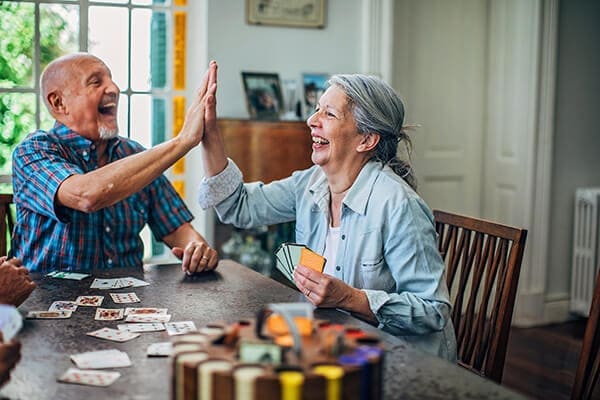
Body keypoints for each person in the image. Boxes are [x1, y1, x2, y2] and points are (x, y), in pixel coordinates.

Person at [197, 65, 457, 360]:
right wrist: (209, 131)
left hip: (403, 363)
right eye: (316, 110)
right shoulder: (311, 183)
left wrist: (351, 298)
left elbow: (433, 311)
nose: (311, 121)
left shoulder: (398, 205)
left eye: (328, 114)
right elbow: (239, 206)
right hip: (339, 348)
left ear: (366, 140)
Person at [11, 53, 219, 274]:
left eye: (111, 80)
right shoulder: (32, 151)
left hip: (129, 301)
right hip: (48, 302)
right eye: (96, 82)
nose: (114, 89)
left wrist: (197, 249)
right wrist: (182, 141)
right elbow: (87, 195)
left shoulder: (133, 153)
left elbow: (178, 229)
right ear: (59, 103)